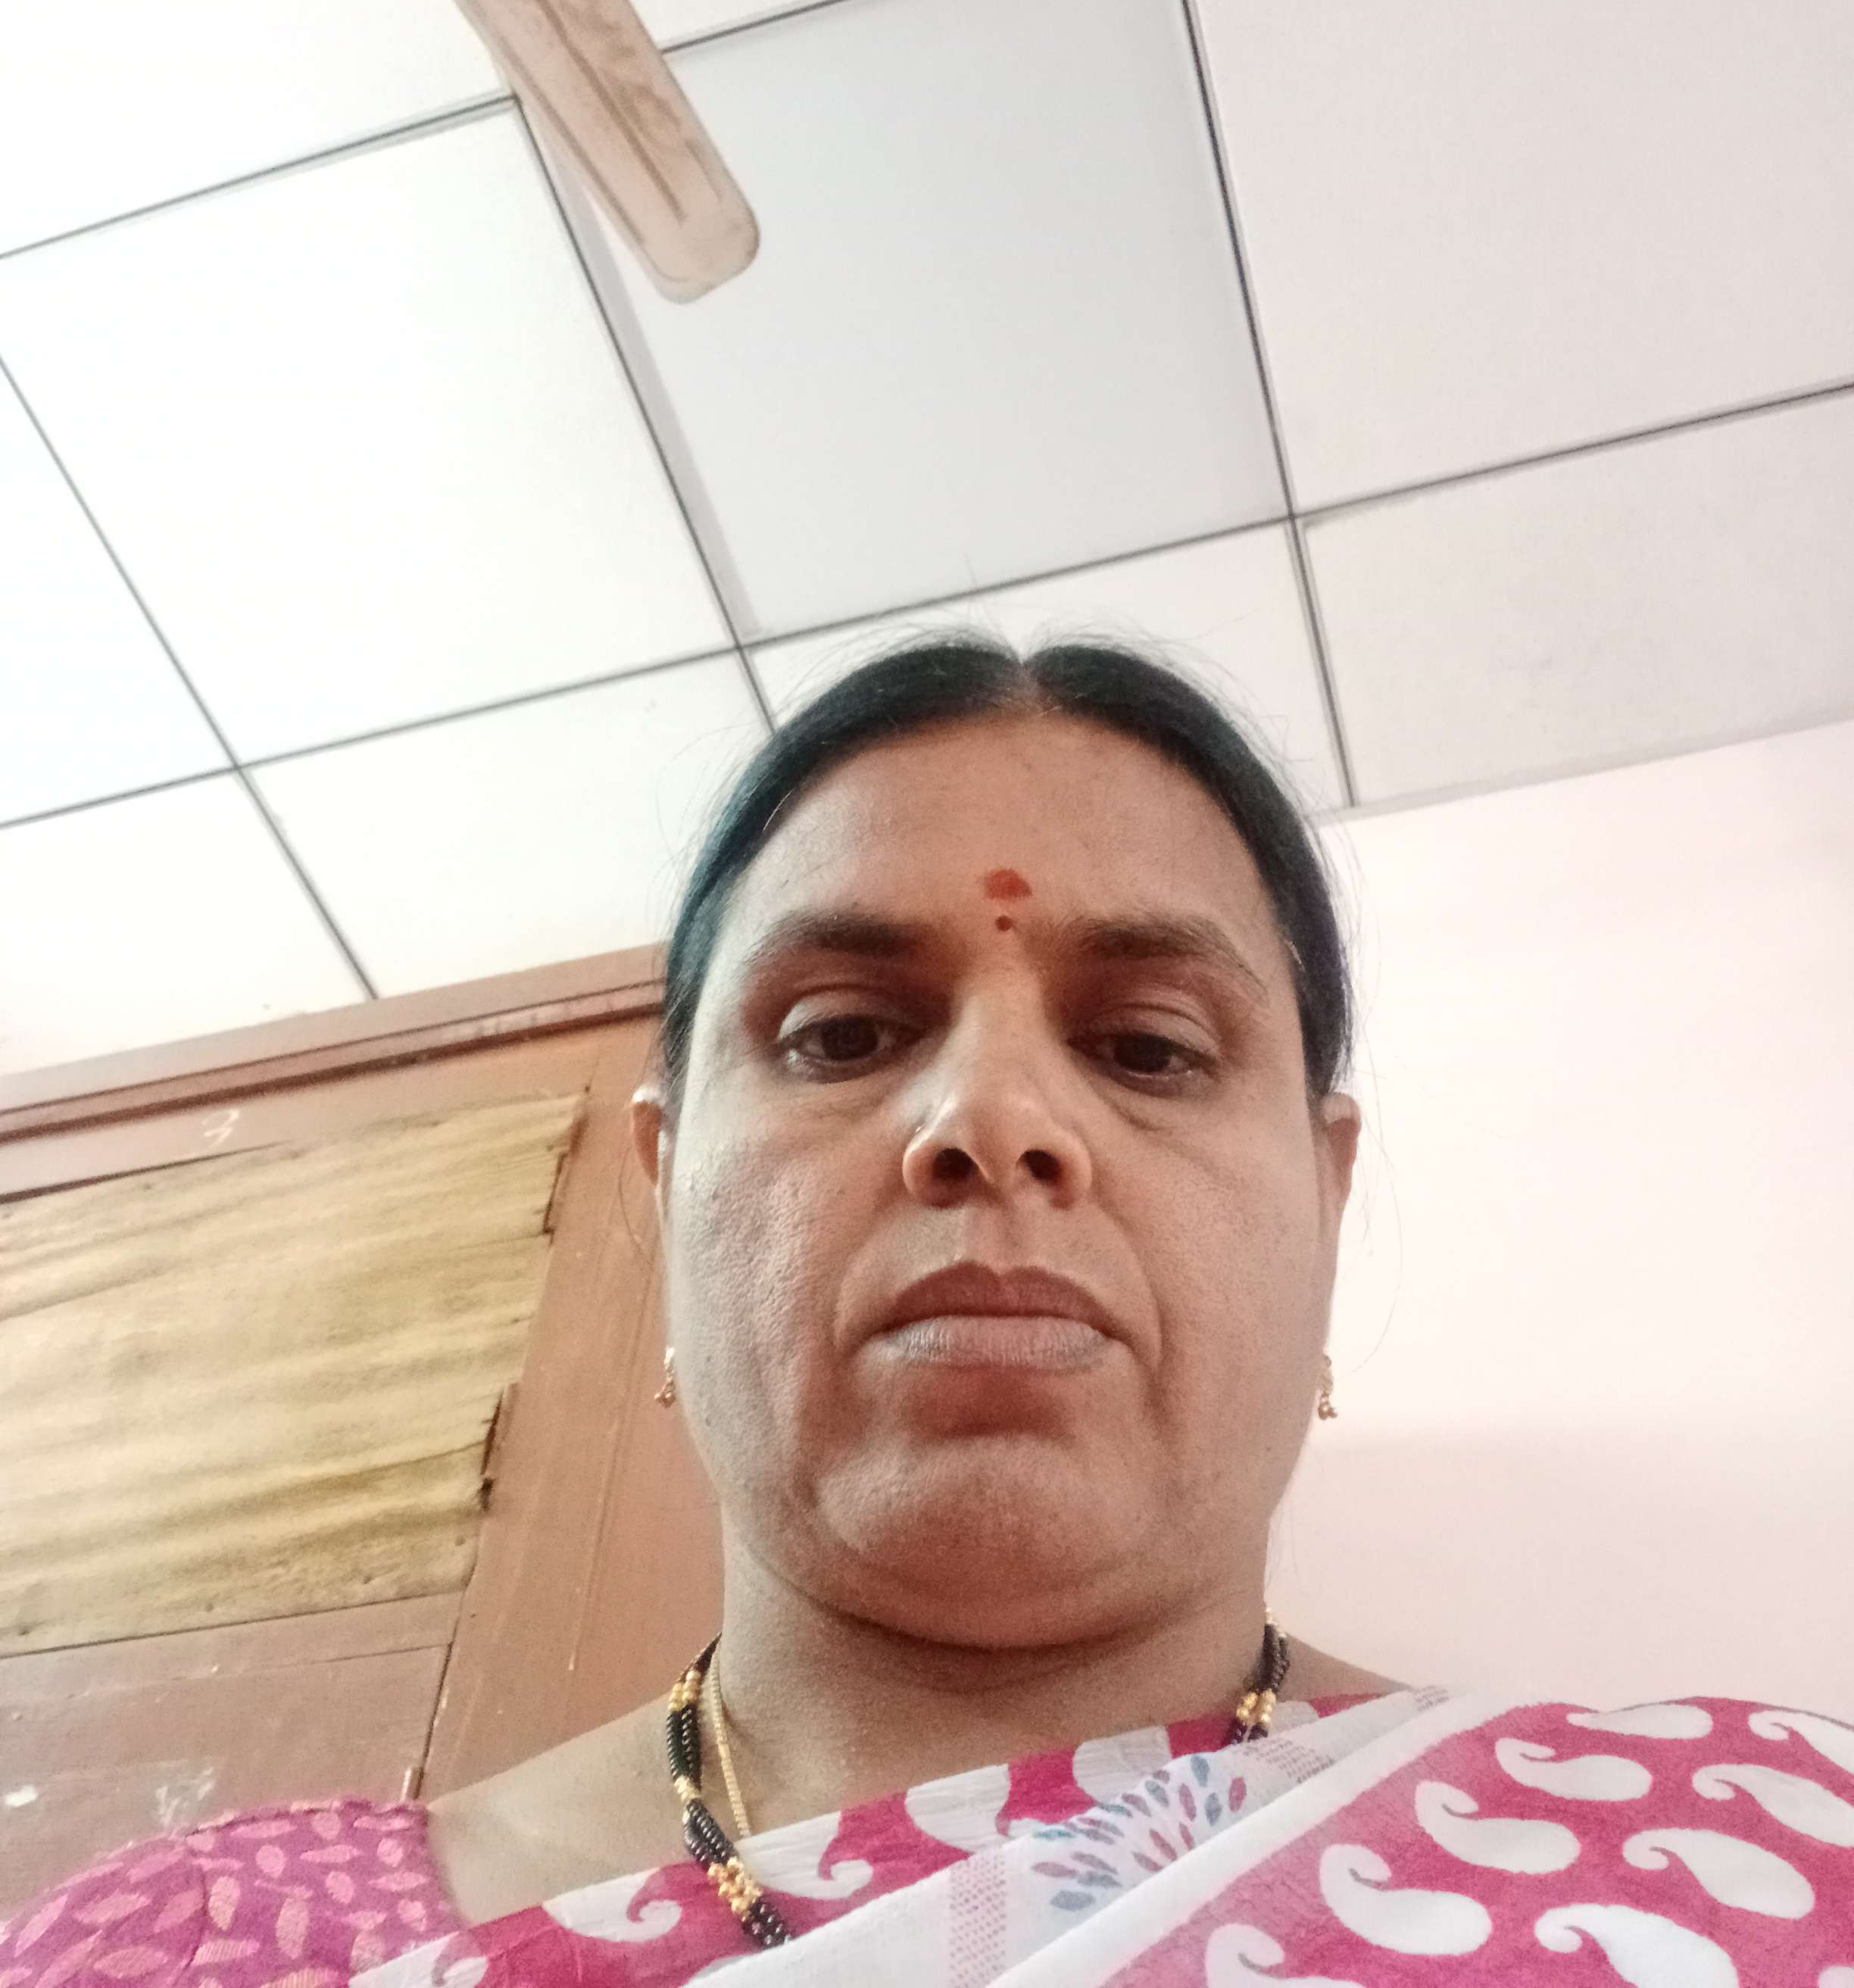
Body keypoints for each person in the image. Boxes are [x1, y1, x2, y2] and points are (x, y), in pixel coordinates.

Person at [8, 638, 1852, 1986]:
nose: (991, 1118)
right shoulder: (192, 1949)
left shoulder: (1757, 1849)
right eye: (841, 1035)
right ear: (664, 1187)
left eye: (1149, 1048)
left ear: (1326, 1193)